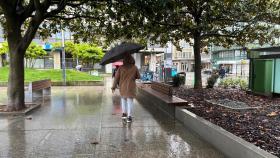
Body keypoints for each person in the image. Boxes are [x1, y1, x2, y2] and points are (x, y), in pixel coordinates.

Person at [111, 53, 140, 123]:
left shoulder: (121, 68)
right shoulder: (134, 67)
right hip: (131, 87)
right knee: (130, 101)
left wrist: (113, 87)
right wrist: (133, 76)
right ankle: (129, 117)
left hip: (122, 87)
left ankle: (124, 114)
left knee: (123, 100)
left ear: (124, 60)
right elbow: (138, 76)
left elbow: (116, 78)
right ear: (132, 59)